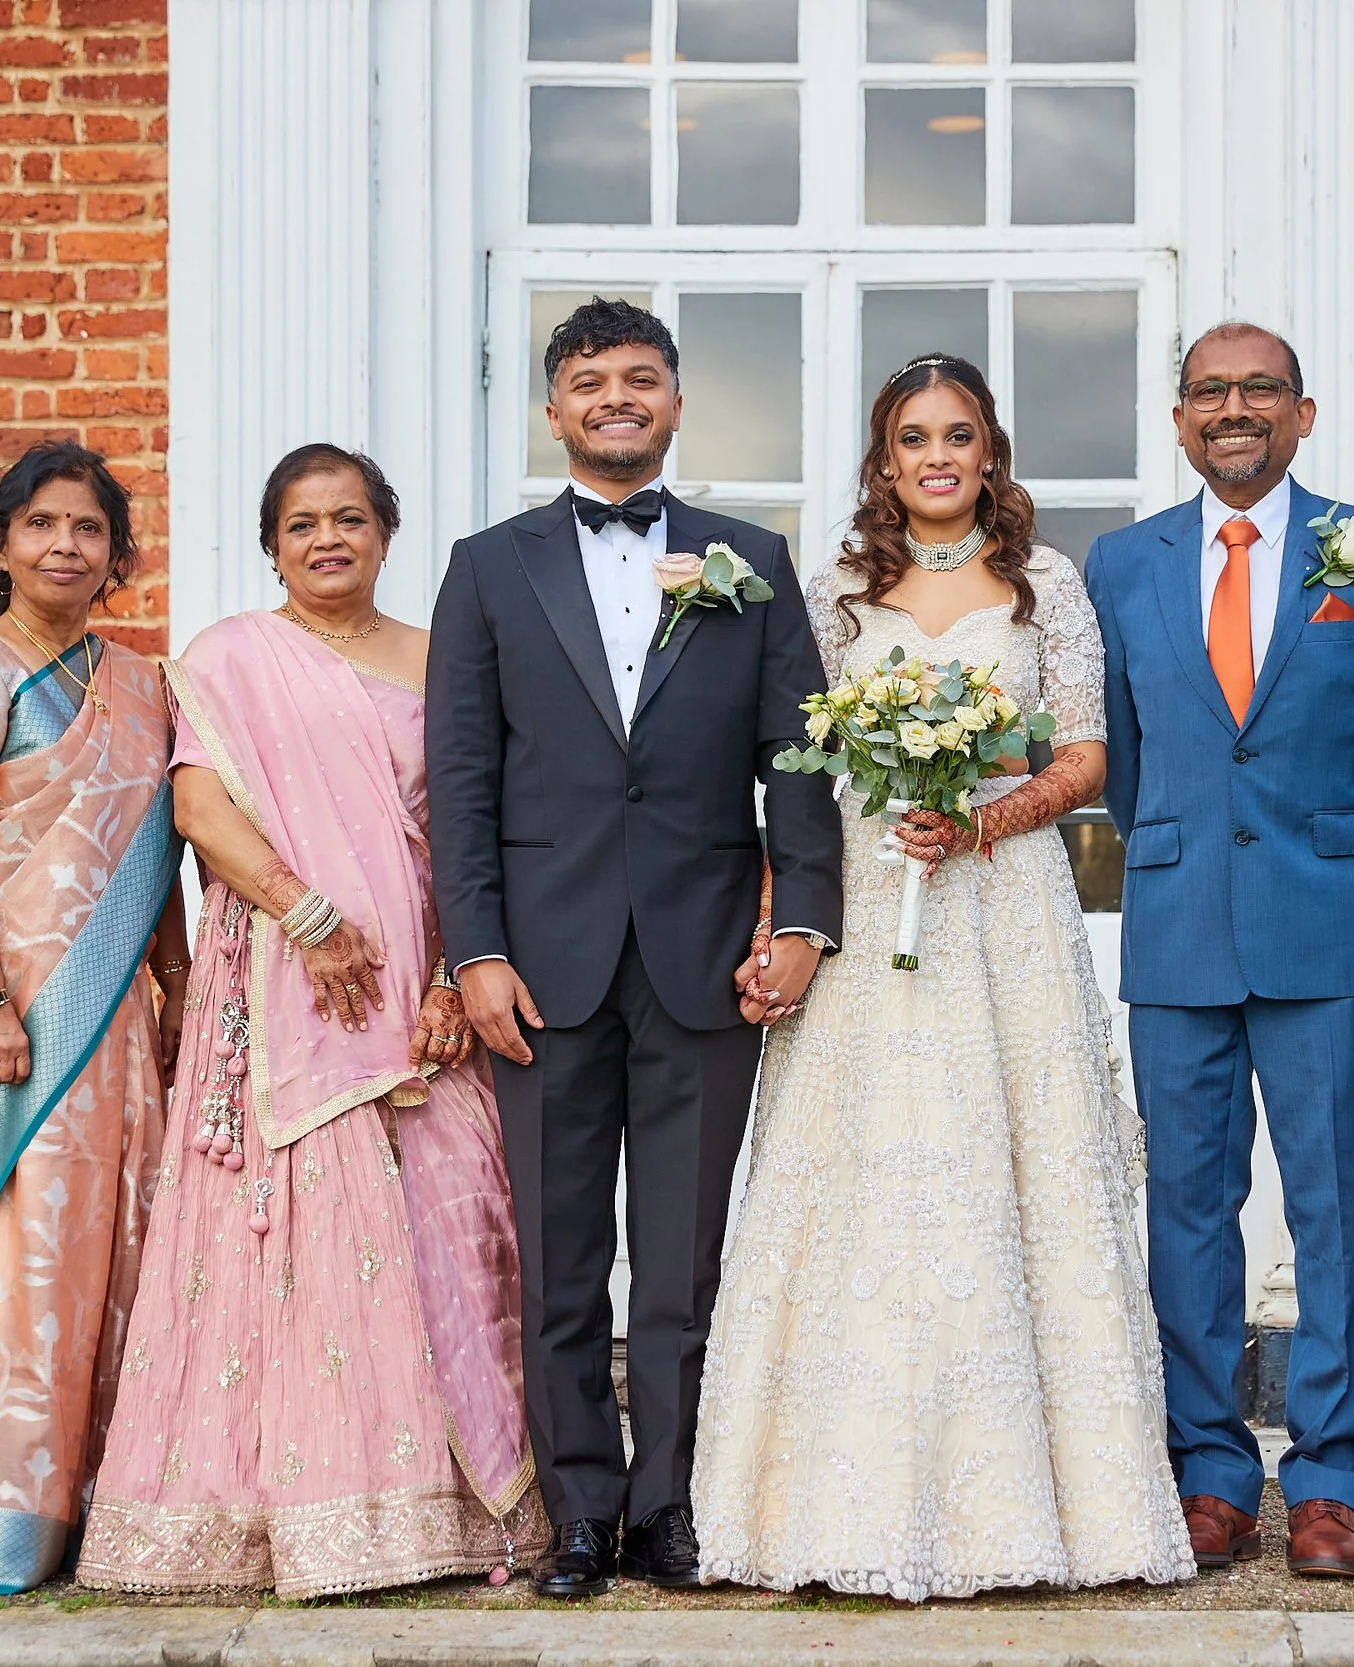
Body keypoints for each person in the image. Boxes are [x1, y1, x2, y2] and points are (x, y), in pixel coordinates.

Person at [689, 354, 1194, 1601]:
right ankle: (816, 1494)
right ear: (882, 457)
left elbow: (1086, 754)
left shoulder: (1046, 588)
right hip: (868, 891)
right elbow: (796, 755)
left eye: (957, 434)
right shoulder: (833, 590)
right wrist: (794, 893)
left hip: (998, 900)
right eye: (912, 436)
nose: (935, 455)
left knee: (1006, 1169)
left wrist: (985, 815)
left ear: (989, 452)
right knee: (854, 1167)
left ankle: (1039, 1506)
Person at [426, 297, 844, 1598]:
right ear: (555, 407)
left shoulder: (749, 559)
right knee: (558, 1258)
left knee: (684, 1255)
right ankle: (580, 1509)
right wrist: (474, 947)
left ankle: (670, 1500)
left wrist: (801, 920)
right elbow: (463, 778)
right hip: (540, 966)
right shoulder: (489, 566)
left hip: (704, 956)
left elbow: (802, 760)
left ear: (673, 401)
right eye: (593, 379)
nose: (619, 396)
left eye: (642, 378)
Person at [79, 445, 546, 1596]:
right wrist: (309, 913)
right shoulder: (234, 659)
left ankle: (455, 1507)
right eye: (302, 523)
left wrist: (449, 974)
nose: (327, 538)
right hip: (291, 978)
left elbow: (469, 832)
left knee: (458, 1213)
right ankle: (284, 1515)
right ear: (272, 543)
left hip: (426, 986)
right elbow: (198, 806)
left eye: (349, 518)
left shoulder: (447, 663)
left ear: (388, 533)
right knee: (284, 1232)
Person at [1084, 322, 1354, 1581]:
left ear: (1301, 412)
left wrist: (1348, 869)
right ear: (1178, 418)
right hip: (1179, 927)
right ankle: (1207, 1469)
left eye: (1257, 390)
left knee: (1332, 1201)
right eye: (1207, 392)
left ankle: (1331, 1477)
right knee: (1186, 1208)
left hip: (1331, 923)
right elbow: (1124, 761)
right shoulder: (1122, 563)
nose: (1231, 409)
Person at [0, 439, 187, 1592]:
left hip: (111, 1024)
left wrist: (181, 981)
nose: (65, 544)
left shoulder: (146, 684)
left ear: (116, 554)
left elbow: (156, 852)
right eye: (42, 524)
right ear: (1, 543)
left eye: (89, 528)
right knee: (1, 1259)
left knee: (105, 1245)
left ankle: (97, 1507)